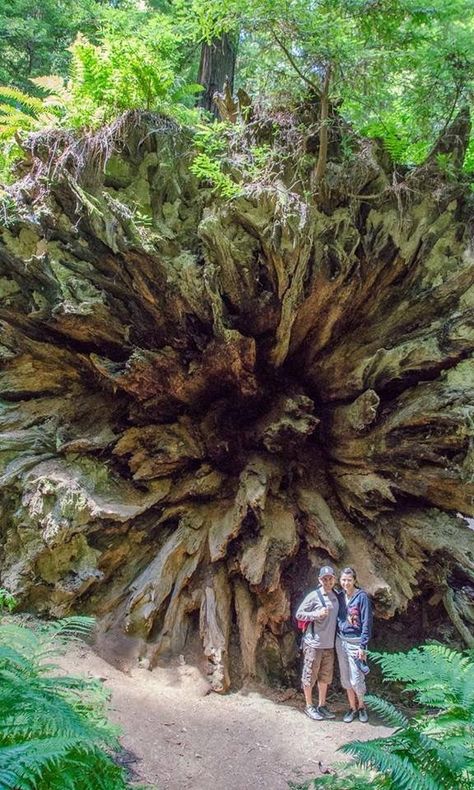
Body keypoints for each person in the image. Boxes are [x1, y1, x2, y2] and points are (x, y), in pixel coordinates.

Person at [296, 565, 341, 721]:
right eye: (324, 579)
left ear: (334, 579)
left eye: (330, 578)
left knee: (325, 677)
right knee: (309, 675)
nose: (328, 581)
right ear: (319, 580)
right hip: (314, 644)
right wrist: (316, 614)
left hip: (329, 644)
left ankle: (322, 705)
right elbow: (299, 614)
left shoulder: (336, 596)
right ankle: (309, 706)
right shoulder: (313, 596)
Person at [336, 566, 373, 723]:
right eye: (343, 580)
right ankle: (352, 708)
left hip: (356, 643)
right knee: (345, 678)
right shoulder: (339, 596)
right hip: (341, 641)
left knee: (356, 679)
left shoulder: (362, 597)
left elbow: (367, 622)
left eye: (349, 580)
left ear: (355, 581)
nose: (346, 583)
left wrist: (363, 645)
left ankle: (362, 706)